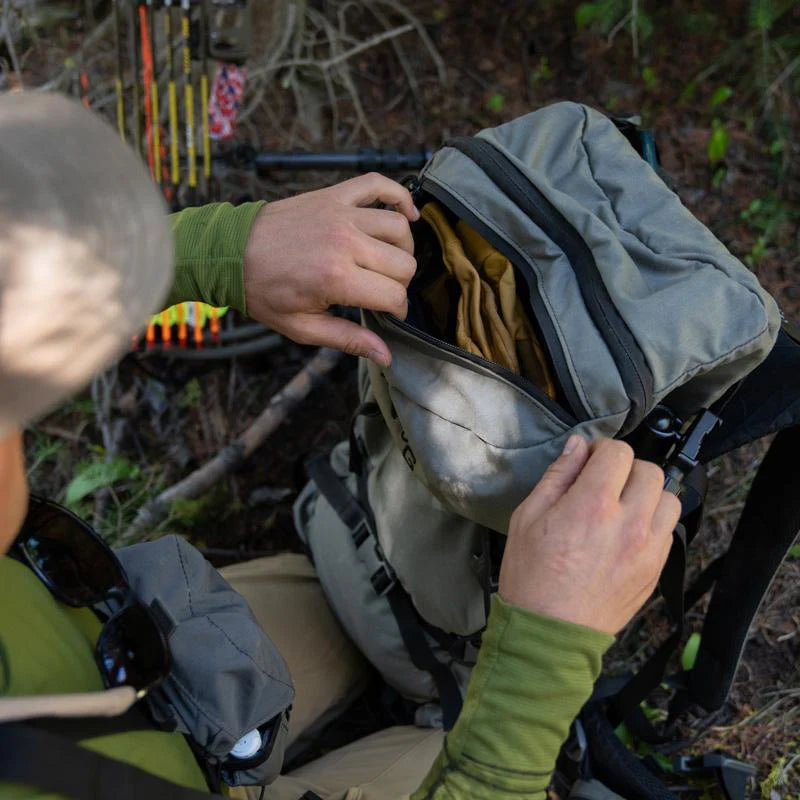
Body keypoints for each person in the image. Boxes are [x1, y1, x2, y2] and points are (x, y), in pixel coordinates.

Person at [0, 93, 681, 799]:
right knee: (461, 749)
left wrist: (221, 249)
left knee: (344, 603)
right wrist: (540, 668)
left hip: (127, 663)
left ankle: (388, 651)